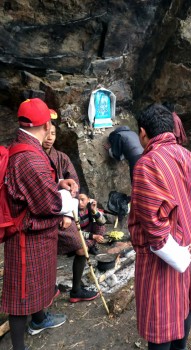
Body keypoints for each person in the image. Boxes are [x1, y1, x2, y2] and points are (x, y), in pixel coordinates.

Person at [128, 104, 191, 350]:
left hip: (162, 257)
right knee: (183, 305)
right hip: (188, 247)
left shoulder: (147, 164)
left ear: (143, 133)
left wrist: (179, 254)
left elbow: (155, 225)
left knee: (161, 318)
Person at [1, 98, 78, 350]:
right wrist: (70, 198)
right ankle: (19, 347)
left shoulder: (23, 147)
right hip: (27, 236)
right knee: (21, 293)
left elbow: (32, 188)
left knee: (33, 284)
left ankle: (40, 319)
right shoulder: (31, 158)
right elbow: (50, 205)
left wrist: (57, 184)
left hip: (35, 234)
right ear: (46, 125)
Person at [42, 122, 99, 302]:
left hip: (63, 216)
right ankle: (46, 290)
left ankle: (76, 290)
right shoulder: (33, 158)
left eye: (53, 133)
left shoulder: (61, 158)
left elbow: (74, 184)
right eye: (46, 133)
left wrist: (67, 213)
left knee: (81, 247)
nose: (50, 138)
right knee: (43, 254)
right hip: (42, 216)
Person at [78, 190, 106, 255]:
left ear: (88, 199)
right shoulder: (73, 211)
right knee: (80, 249)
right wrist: (93, 236)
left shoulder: (90, 207)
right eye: (77, 200)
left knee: (101, 225)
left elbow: (103, 222)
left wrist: (94, 211)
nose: (79, 202)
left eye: (82, 200)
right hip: (79, 233)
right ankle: (91, 244)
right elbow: (75, 232)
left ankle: (90, 244)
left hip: (88, 229)